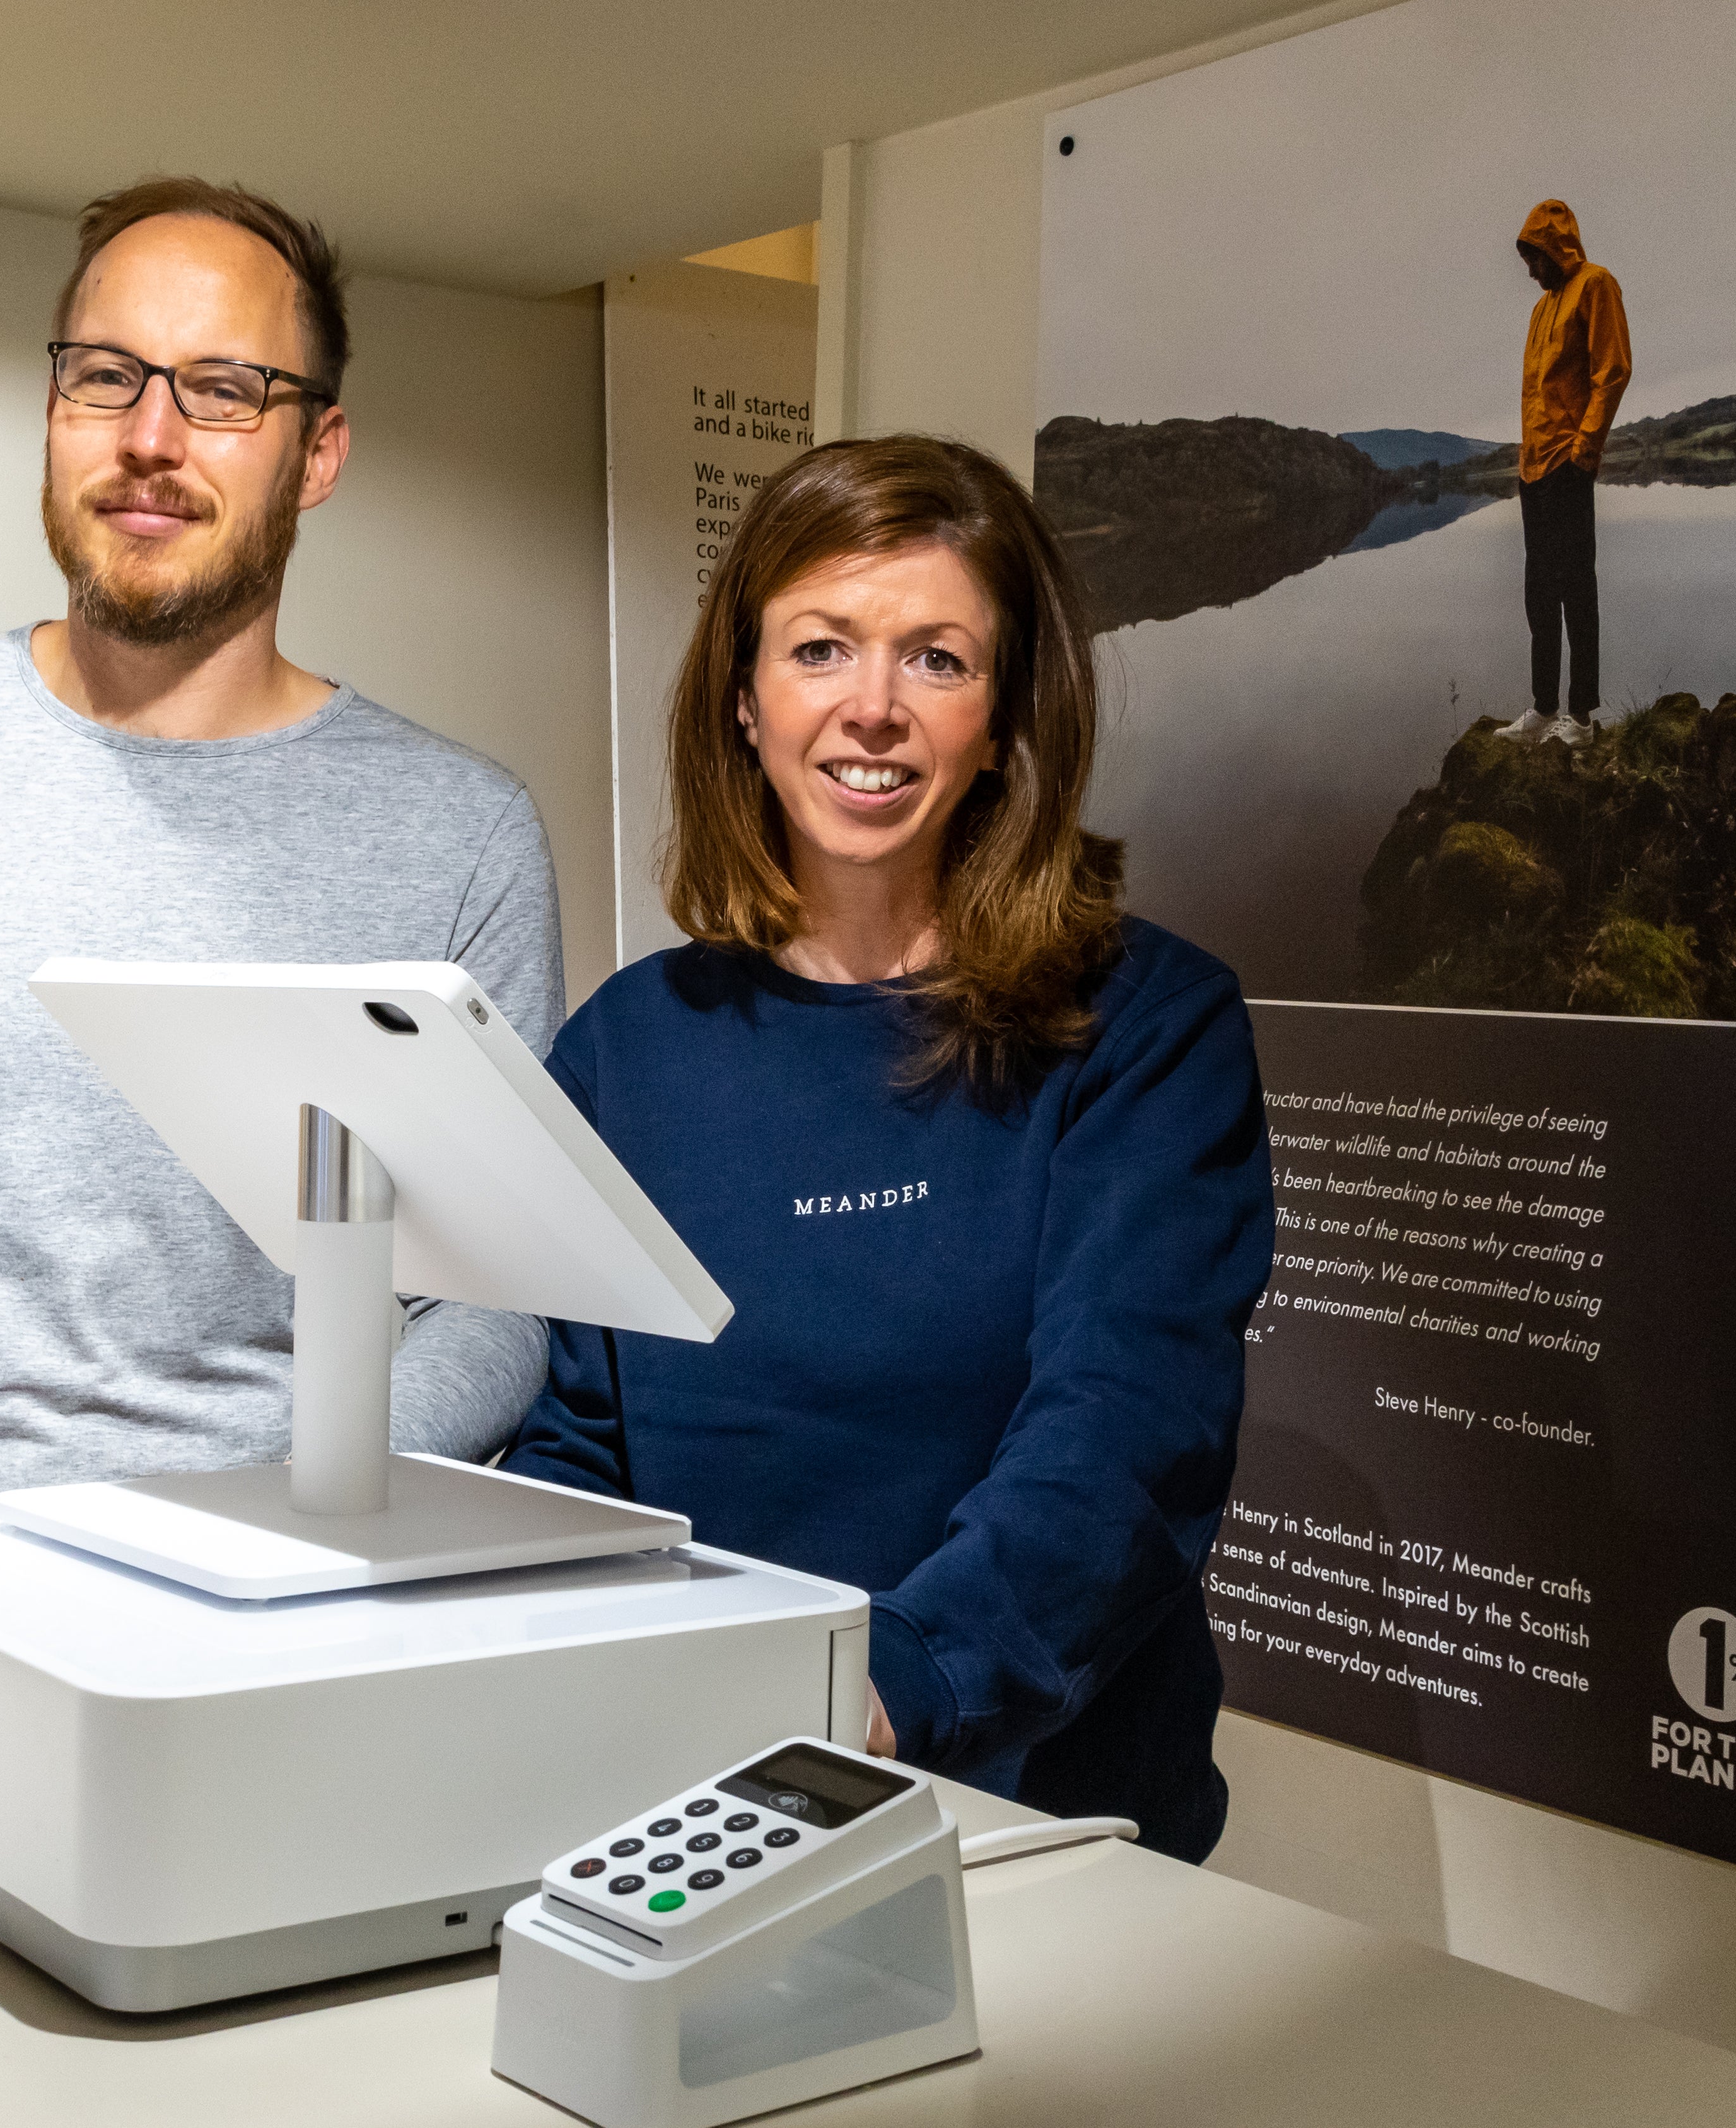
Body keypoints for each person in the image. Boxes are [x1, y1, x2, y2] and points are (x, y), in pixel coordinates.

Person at [0, 178, 562, 1634]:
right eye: (106, 377)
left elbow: (492, 1303)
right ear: (54, 410)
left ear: (319, 452)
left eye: (225, 390)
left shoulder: (460, 836)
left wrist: (256, 1539)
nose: (150, 438)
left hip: (214, 1659)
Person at [495, 434, 1274, 1861]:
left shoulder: (1147, 1027)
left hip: (1029, 1811)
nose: (872, 710)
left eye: (936, 659)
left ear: (1008, 714)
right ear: (742, 697)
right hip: (693, 1800)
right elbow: (580, 1440)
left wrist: (888, 1692)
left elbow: (1125, 1436)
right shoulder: (629, 1047)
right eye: (820, 648)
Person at [1498, 198, 1629, 752]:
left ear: (1555, 249)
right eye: (1526, 258)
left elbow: (1612, 371)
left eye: (1534, 257)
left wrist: (1584, 452)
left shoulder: (1596, 286)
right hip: (1535, 470)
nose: (1529, 269)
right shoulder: (1539, 310)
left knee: (1578, 589)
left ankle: (1581, 715)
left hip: (1568, 467)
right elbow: (1538, 396)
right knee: (1539, 591)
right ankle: (1543, 707)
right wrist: (1526, 466)